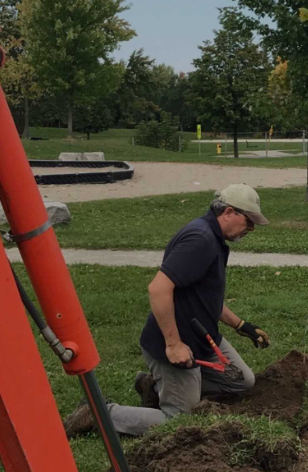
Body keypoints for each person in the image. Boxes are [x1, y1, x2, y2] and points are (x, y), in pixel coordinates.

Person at [64, 184, 271, 437]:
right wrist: (173, 344)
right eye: (249, 222)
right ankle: (98, 413)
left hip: (203, 338)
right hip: (177, 343)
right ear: (228, 212)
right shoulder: (201, 240)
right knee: (180, 422)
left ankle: (154, 387)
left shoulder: (214, 239)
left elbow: (206, 298)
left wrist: (241, 325)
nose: (250, 229)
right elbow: (158, 289)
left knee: (242, 380)